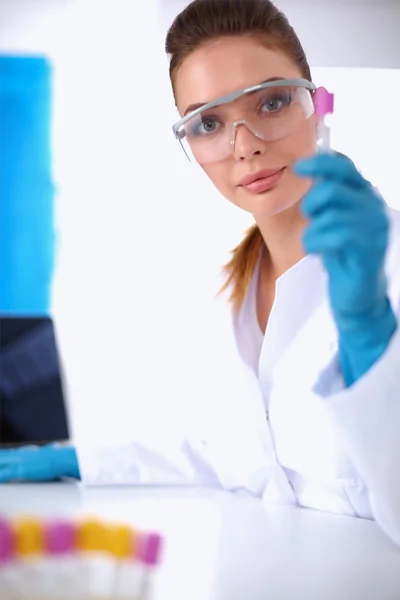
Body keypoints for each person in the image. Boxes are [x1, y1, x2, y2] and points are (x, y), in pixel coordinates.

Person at [1, 0, 400, 546]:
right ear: (189, 142)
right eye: (209, 122)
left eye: (273, 101)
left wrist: (371, 337)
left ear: (319, 104)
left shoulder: (390, 267)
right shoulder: (232, 290)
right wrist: (84, 461)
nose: (246, 145)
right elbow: (242, 462)